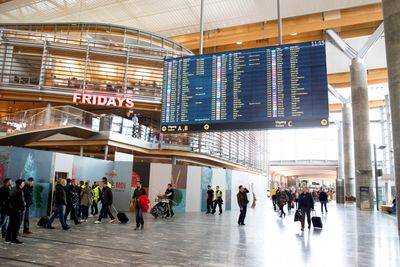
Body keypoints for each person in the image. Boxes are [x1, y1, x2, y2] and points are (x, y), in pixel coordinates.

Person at [6, 179, 25, 244]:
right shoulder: (20, 191)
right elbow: (21, 202)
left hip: (12, 209)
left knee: (10, 224)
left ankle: (7, 238)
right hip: (17, 210)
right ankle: (14, 239)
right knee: (16, 225)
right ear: (20, 184)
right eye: (23, 183)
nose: (24, 184)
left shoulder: (12, 189)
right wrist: (23, 209)